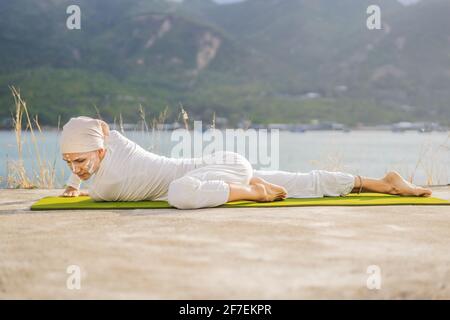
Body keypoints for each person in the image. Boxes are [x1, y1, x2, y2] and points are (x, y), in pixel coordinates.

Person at [60, 117, 432, 209]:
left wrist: (83, 185)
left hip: (213, 169)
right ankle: (383, 182)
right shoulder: (96, 165)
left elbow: (96, 128)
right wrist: (76, 184)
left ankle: (255, 193)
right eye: (68, 162)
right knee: (299, 182)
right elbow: (87, 150)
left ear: (101, 150)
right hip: (212, 171)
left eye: (79, 160)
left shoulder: (114, 152)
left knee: (178, 193)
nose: (75, 166)